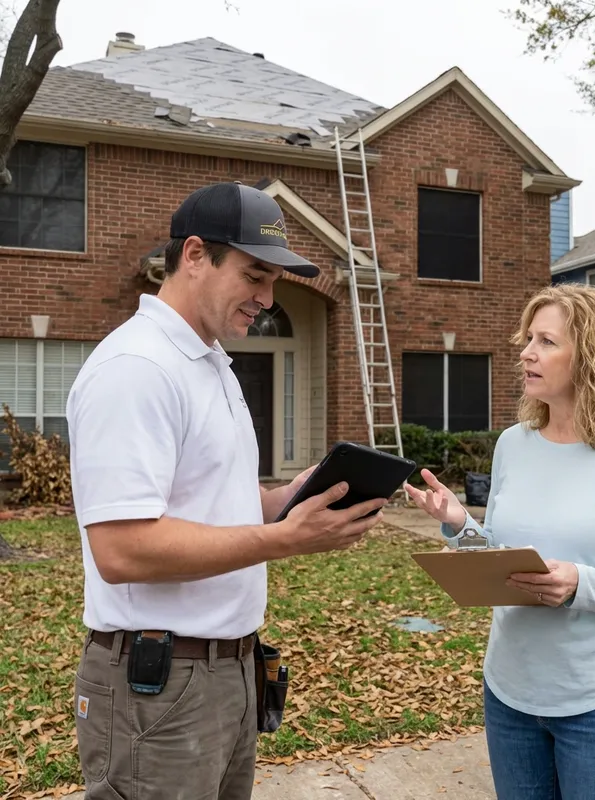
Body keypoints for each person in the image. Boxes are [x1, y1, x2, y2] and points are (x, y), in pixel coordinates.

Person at [66, 181, 387, 800]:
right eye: (255, 276)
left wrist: (291, 498)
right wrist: (282, 539)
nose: (266, 301)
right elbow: (123, 550)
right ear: (193, 255)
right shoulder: (137, 369)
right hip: (155, 685)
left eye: (273, 283)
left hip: (228, 671)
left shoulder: (209, 363)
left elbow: (213, 505)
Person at [404, 283, 595, 800]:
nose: (526, 352)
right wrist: (459, 525)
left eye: (546, 341)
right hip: (510, 694)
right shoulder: (515, 445)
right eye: (528, 338)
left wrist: (579, 582)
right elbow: (502, 558)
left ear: (593, 356)